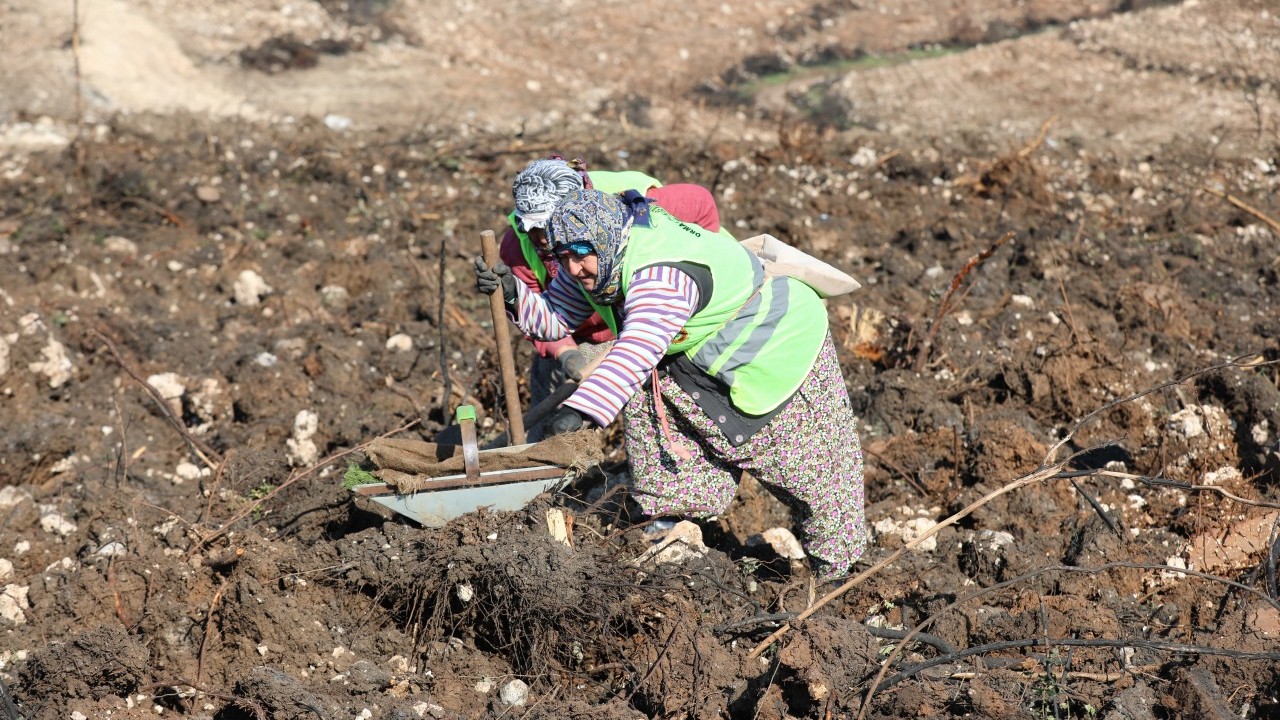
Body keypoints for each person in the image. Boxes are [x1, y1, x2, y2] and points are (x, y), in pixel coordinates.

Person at [475, 188, 867, 580]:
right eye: (564, 257)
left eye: (580, 254)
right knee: (654, 405)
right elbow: (556, 317)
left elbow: (637, 349)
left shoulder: (661, 275)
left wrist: (580, 412)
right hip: (699, 350)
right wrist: (515, 295)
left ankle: (839, 574)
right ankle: (673, 529)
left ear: (604, 239)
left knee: (812, 475)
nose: (574, 268)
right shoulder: (602, 251)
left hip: (775, 346)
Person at [500, 156, 731, 440]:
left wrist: (583, 410)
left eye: (544, 227)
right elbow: (552, 312)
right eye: (529, 229)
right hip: (599, 329)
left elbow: (639, 346)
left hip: (680, 324)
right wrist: (563, 350)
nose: (539, 239)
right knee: (553, 408)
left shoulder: (650, 249)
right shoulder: (540, 248)